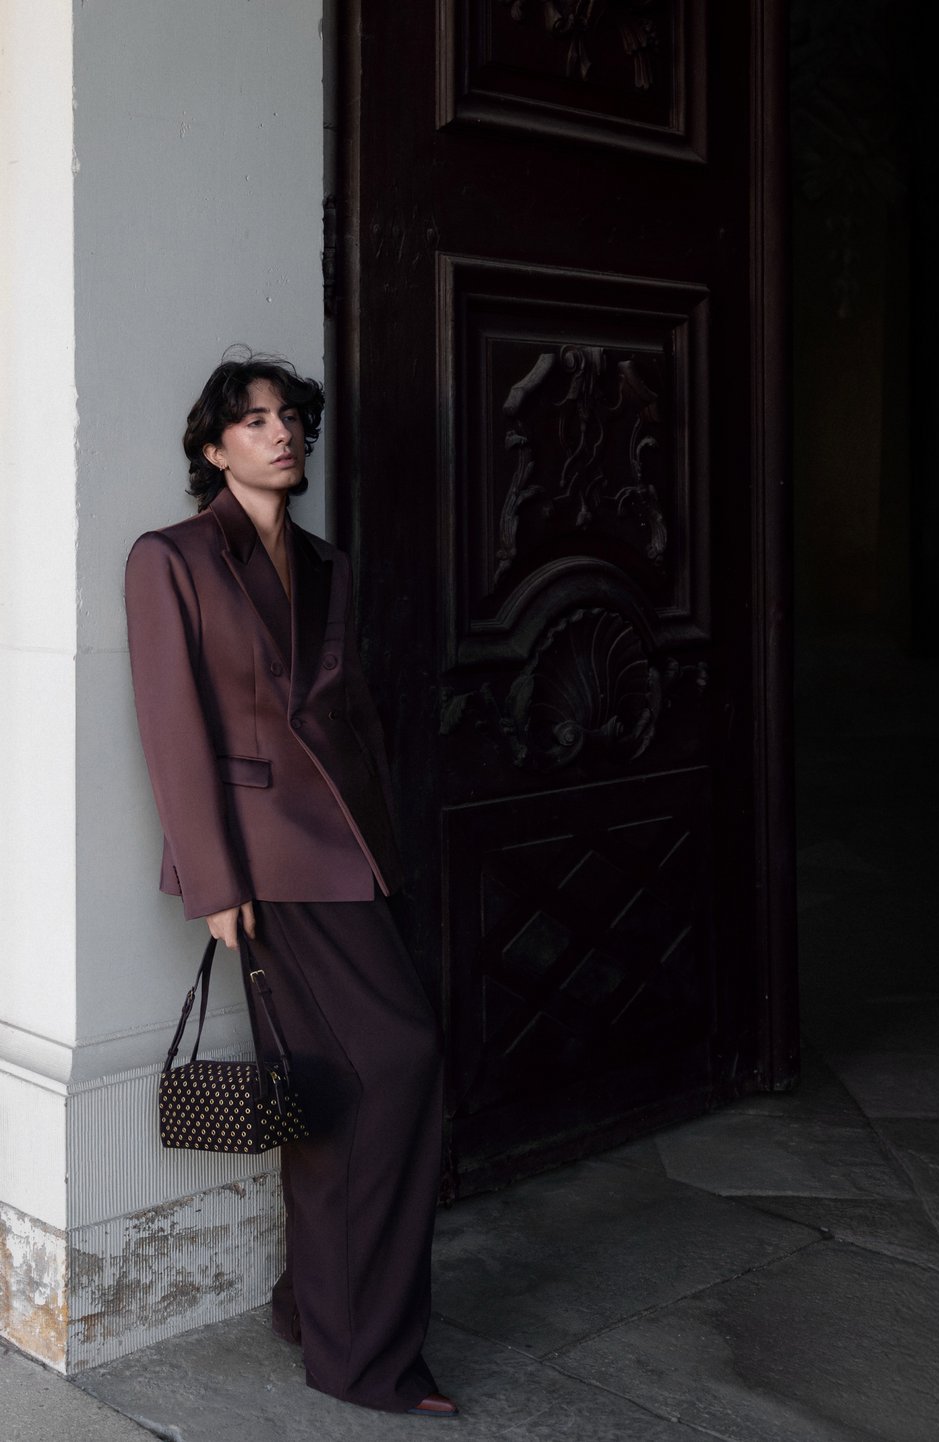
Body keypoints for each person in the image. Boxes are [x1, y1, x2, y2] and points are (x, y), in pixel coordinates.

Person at [124, 350, 457, 1418]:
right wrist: (214, 882)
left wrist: (383, 837)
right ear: (213, 448)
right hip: (262, 867)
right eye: (255, 420)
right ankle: (361, 1355)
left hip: (349, 850)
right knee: (394, 1065)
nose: (282, 433)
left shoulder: (329, 565)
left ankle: (318, 1309)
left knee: (335, 1092)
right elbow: (173, 728)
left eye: (292, 418)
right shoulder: (168, 558)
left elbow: (346, 714)